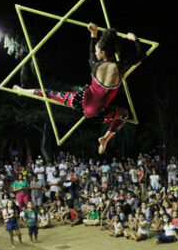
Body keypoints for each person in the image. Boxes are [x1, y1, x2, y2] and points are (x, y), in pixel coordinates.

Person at [13, 23, 146, 154]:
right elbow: (141, 55)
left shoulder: (94, 64)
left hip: (80, 100)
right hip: (98, 114)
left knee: (50, 93)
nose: (95, 52)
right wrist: (134, 39)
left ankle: (22, 91)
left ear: (103, 53)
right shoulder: (120, 68)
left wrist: (93, 34)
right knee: (123, 114)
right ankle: (105, 139)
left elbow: (90, 52)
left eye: (97, 50)